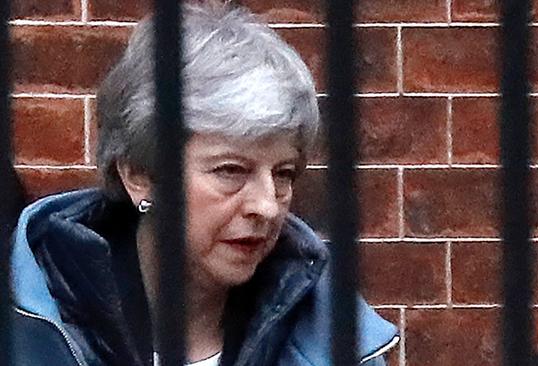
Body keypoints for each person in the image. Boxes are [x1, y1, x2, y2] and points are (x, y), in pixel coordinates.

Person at [9, 2, 398, 366]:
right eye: (231, 171)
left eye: (284, 174)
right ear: (139, 175)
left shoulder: (334, 343)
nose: (267, 205)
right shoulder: (27, 328)